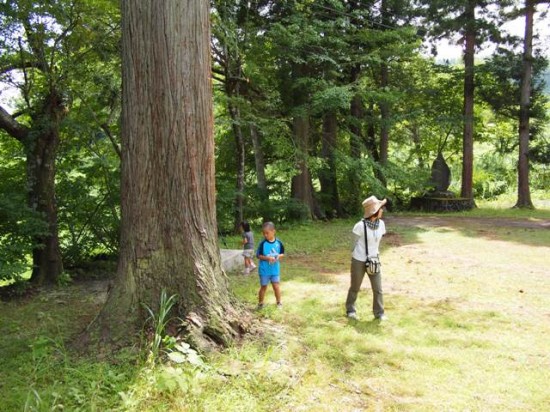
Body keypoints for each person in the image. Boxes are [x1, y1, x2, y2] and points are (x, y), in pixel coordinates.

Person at [345, 195, 388, 321]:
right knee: (355, 287)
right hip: (359, 260)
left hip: (374, 260)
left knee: (378, 288)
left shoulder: (381, 225)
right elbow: (352, 245)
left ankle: (379, 313)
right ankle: (350, 310)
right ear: (375, 211)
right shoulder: (359, 226)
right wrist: (358, 256)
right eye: (381, 208)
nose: (383, 210)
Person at [256, 221, 285, 309]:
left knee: (276, 286)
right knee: (264, 286)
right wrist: (268, 258)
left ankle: (279, 302)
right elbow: (258, 256)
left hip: (275, 270)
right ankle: (260, 303)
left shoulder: (279, 243)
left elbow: (282, 254)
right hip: (264, 270)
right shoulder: (262, 244)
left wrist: (278, 256)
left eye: (267, 233)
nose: (265, 235)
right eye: (264, 233)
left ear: (273, 231)